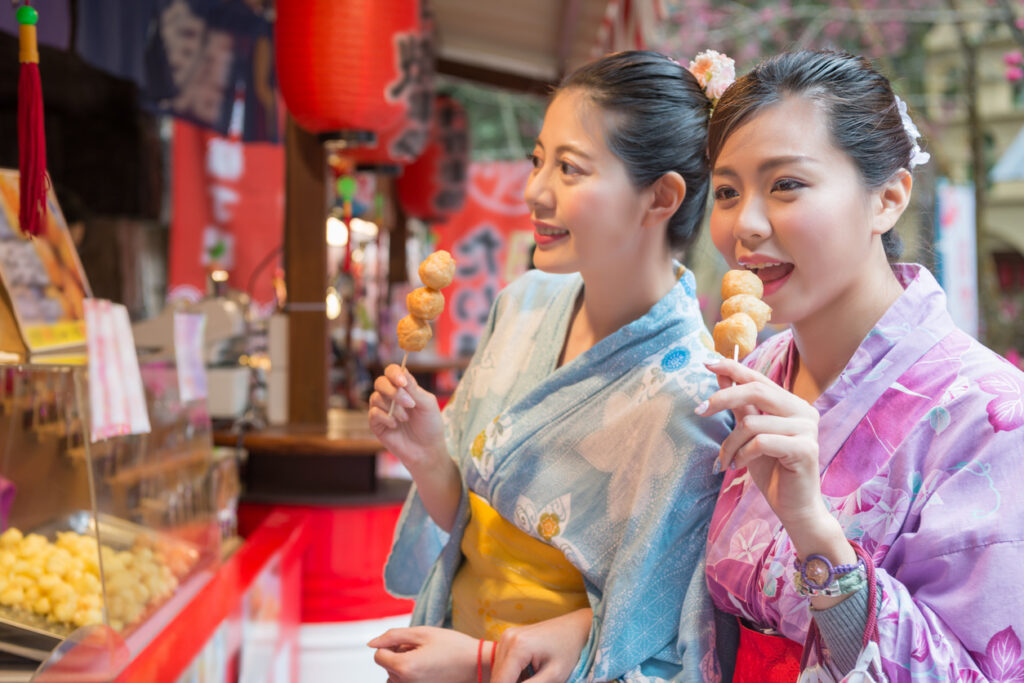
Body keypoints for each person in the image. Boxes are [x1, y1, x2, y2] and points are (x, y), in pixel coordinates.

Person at [367, 50, 734, 682]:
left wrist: (482, 662)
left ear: (660, 197)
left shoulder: (693, 398)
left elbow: (653, 638)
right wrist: (428, 454)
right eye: (540, 160)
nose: (534, 191)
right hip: (448, 643)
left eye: (569, 168)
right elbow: (471, 522)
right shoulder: (524, 303)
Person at [697, 49, 1024, 681]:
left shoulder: (992, 417)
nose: (746, 224)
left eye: (786, 184)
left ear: (889, 198)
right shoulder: (759, 369)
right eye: (728, 192)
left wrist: (814, 530)